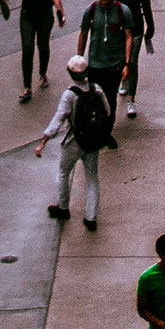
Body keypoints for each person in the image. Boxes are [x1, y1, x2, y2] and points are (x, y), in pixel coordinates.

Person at [36, 53, 110, 231]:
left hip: (74, 141)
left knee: (63, 172)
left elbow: (58, 119)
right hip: (92, 141)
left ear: (70, 73)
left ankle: (63, 207)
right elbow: (107, 111)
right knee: (92, 178)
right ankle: (90, 217)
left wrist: (43, 141)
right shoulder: (96, 89)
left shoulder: (69, 95)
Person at [77, 0, 134, 142]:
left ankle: (106, 133)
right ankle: (94, 131)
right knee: (93, 101)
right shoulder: (91, 11)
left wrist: (127, 63)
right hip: (95, 65)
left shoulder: (123, 11)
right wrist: (79, 59)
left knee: (110, 101)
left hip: (114, 66)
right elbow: (83, 34)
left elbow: (128, 37)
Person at [14, 0, 66, 98]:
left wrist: (60, 12)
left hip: (44, 15)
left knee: (43, 45)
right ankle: (27, 87)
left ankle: (42, 73)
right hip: (27, 16)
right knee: (27, 48)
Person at [114, 0, 156, 117]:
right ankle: (124, 81)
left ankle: (131, 99)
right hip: (119, 29)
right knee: (120, 59)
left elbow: (146, 5)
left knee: (132, 62)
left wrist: (150, 25)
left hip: (136, 28)